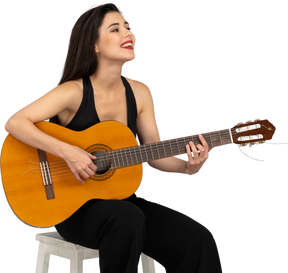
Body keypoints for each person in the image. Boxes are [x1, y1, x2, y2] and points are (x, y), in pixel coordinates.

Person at [3, 2, 224, 272]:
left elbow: (155, 155)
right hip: (70, 207)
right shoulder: (73, 92)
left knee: (197, 238)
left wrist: (189, 167)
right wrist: (67, 151)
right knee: (126, 218)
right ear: (94, 45)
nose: (128, 34)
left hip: (119, 200)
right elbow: (13, 122)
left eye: (129, 27)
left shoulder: (141, 91)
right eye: (115, 29)